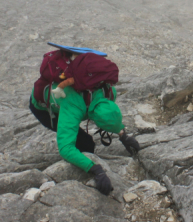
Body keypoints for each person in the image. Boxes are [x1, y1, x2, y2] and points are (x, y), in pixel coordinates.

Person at [29, 52, 139, 195]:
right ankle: (79, 169)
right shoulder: (74, 107)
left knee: (85, 143)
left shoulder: (109, 92)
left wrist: (123, 135)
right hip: (43, 108)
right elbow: (65, 148)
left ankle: (82, 159)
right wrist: (95, 170)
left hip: (70, 100)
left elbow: (110, 116)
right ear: (93, 117)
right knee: (84, 143)